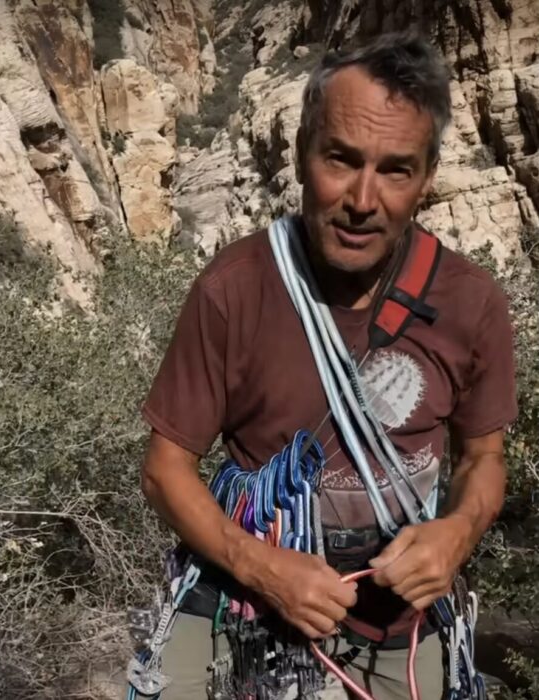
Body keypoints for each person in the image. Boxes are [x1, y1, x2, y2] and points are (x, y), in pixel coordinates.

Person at [140, 31, 517, 700]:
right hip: (246, 601)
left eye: (395, 169)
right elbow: (166, 469)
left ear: (426, 178)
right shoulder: (234, 289)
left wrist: (455, 534)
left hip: (396, 622)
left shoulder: (468, 301)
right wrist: (262, 570)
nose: (363, 200)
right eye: (340, 160)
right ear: (301, 153)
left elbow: (481, 458)